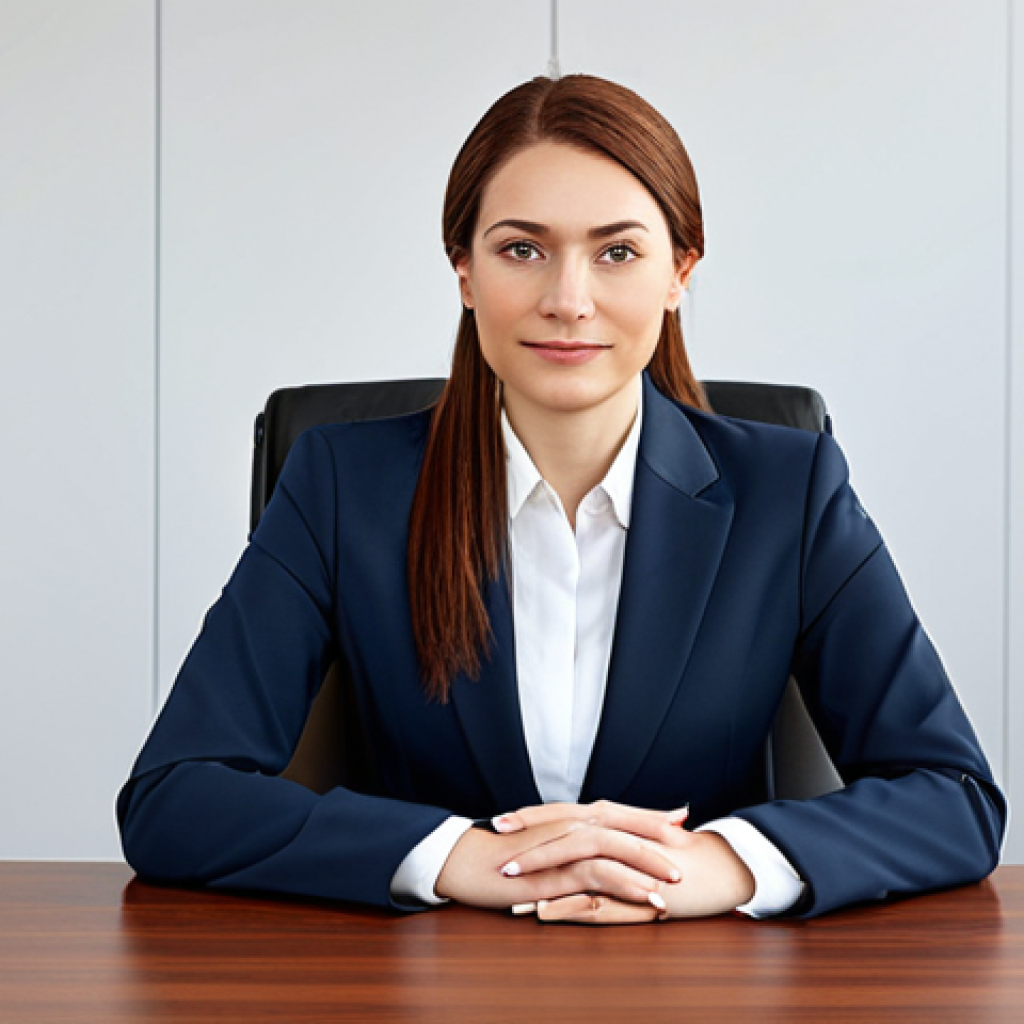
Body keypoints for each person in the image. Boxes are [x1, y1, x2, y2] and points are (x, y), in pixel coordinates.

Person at [118, 73, 1006, 924]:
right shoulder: (343, 485)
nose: (568, 300)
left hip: (702, 981)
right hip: (424, 981)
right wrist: (459, 856)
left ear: (679, 272)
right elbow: (174, 796)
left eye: (617, 252)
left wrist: (717, 864)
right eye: (522, 250)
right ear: (465, 272)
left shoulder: (791, 490)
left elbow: (953, 797)